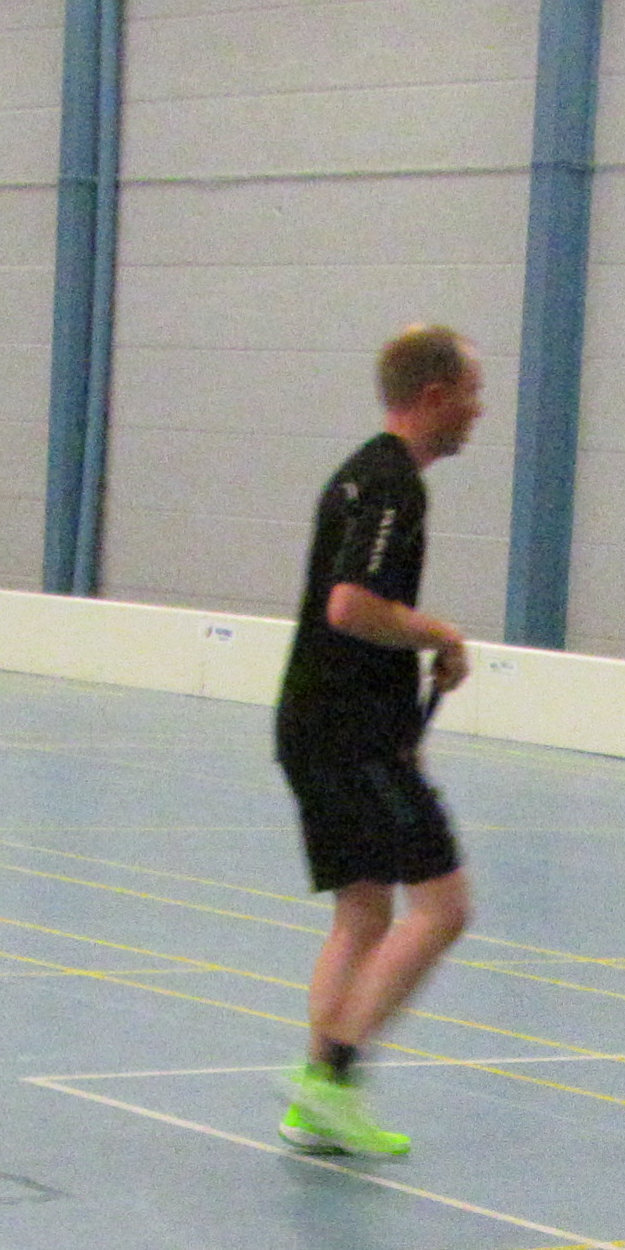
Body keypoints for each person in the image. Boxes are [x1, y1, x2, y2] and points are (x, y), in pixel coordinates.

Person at [272, 323, 482, 1159]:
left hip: (317, 723)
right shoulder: (393, 485)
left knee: (362, 913)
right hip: (348, 733)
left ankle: (315, 1102)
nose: (478, 411)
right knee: (444, 907)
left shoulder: (361, 474)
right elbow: (351, 606)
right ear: (433, 396)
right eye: (470, 394)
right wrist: (441, 634)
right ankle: (332, 1079)